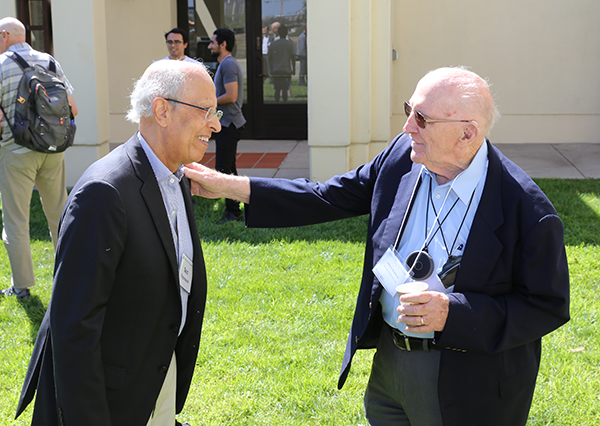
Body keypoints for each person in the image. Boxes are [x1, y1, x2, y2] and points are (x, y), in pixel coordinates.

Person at [183, 67, 570, 426]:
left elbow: (545, 307)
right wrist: (230, 186)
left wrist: (454, 313)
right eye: (409, 110)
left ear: (467, 133)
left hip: (467, 382)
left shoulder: (528, 211)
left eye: (422, 118)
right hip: (390, 365)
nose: (406, 128)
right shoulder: (404, 157)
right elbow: (328, 196)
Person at [15, 59, 221, 426]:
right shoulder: (105, 192)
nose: (216, 124)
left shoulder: (174, 176)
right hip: (110, 404)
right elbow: (74, 329)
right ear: (161, 110)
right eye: (206, 110)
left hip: (152, 384)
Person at [0, 17, 78, 300]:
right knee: (59, 214)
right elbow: (74, 109)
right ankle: (69, 276)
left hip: (16, 152)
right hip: (52, 151)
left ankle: (22, 286)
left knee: (16, 221)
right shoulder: (49, 62)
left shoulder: (1, 65)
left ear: (5, 35)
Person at [208, 28, 246, 222]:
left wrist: (210, 103)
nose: (209, 46)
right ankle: (236, 208)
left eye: (212, 42)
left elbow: (231, 96)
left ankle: (234, 212)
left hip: (230, 125)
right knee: (229, 169)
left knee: (223, 170)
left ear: (223, 44)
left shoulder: (228, 65)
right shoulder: (226, 64)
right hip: (227, 124)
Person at [268, 25, 295, 102]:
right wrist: (293, 69)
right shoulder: (290, 44)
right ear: (286, 33)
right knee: (285, 89)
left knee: (277, 89)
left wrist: (271, 69)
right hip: (286, 69)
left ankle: (276, 103)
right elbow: (293, 57)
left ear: (278, 33)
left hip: (276, 69)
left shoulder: (273, 44)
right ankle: (285, 104)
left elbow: (270, 58)